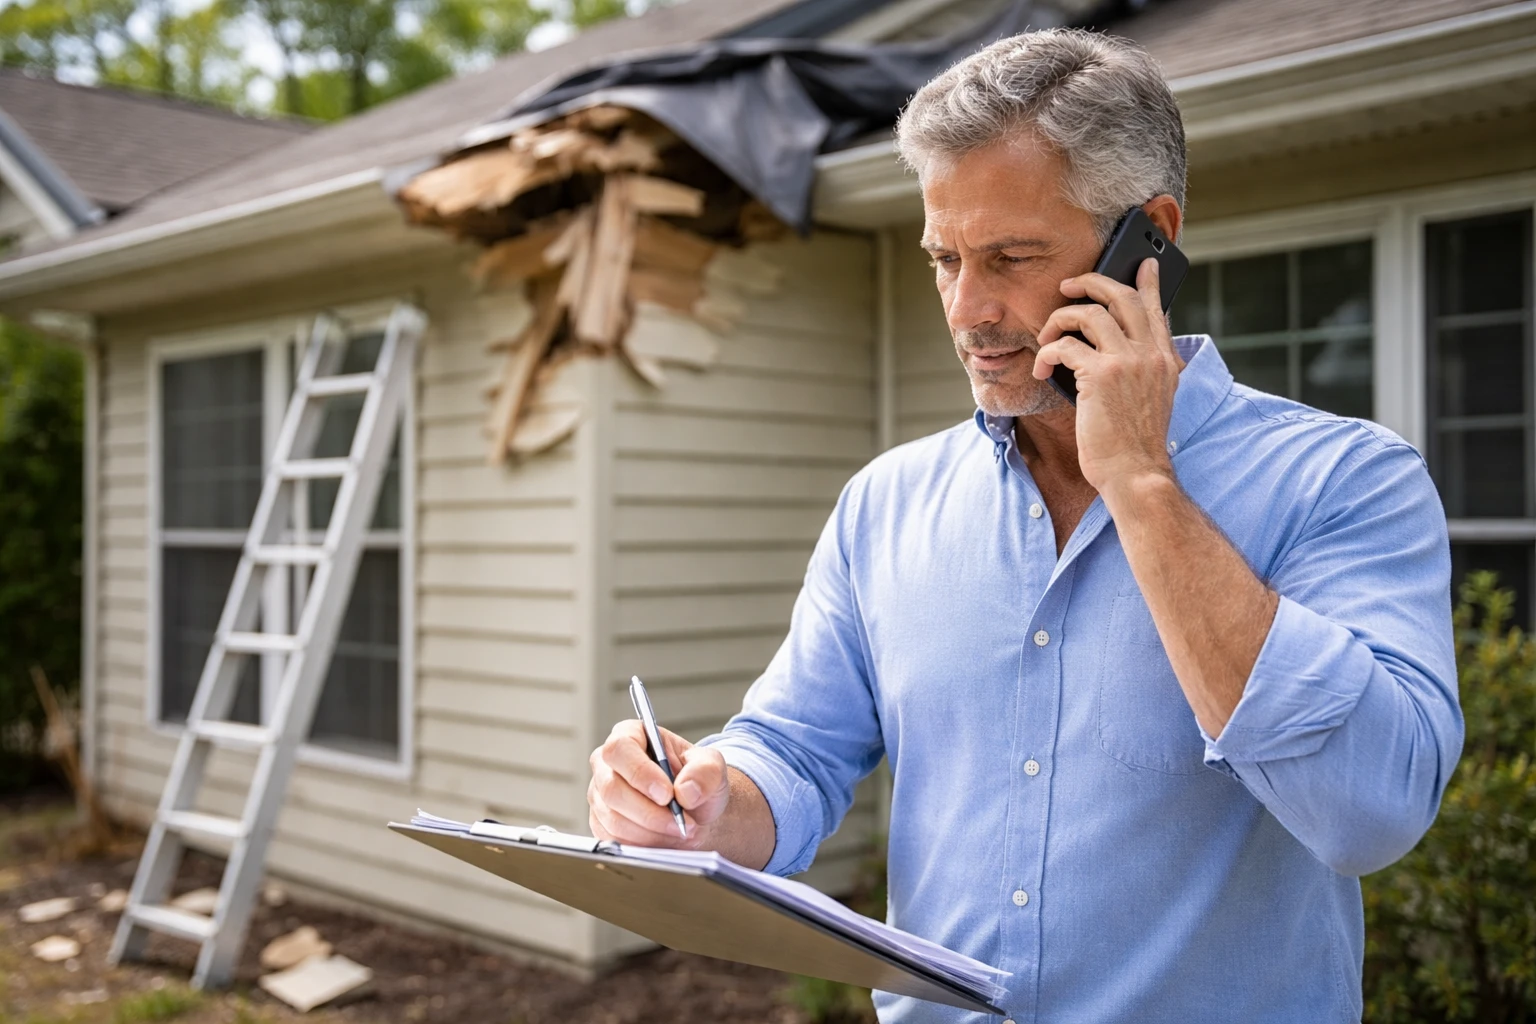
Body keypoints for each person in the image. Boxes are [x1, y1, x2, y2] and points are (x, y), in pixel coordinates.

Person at [586, 28, 1463, 1023]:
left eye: (1009, 257)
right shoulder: (886, 504)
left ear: (1149, 240)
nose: (967, 309)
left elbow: (1371, 814)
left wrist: (1140, 480)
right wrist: (706, 802)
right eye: (944, 259)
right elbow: (797, 747)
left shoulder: (1347, 482)